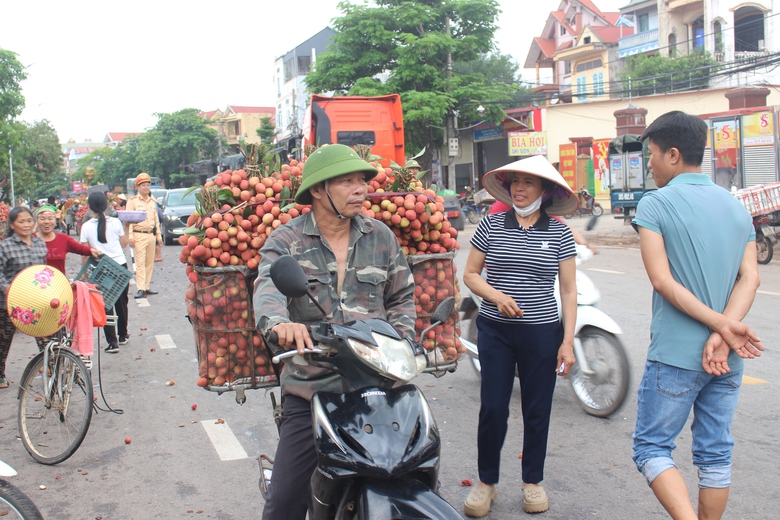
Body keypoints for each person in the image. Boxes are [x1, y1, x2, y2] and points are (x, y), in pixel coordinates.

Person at [253, 144, 416, 520]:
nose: (361, 188)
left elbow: (402, 297)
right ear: (318, 190)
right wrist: (280, 324)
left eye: (363, 180)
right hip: (313, 386)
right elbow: (268, 290)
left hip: (378, 382)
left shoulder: (381, 237)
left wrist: (403, 339)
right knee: (283, 504)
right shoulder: (286, 241)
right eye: (348, 181)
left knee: (414, 475)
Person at [631, 111, 763, 520]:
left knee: (652, 447)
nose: (648, 163)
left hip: (675, 356)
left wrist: (720, 327)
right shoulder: (736, 207)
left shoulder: (655, 203)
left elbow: (663, 282)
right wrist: (725, 331)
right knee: (715, 452)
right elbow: (750, 278)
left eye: (651, 155)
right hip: (728, 356)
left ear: (673, 155)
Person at [462, 155, 579, 516]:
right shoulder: (491, 225)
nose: (520, 188)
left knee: (537, 409)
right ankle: (486, 483)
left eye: (528, 183)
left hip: (542, 333)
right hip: (495, 332)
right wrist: (496, 297)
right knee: (493, 408)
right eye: (515, 181)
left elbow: (570, 291)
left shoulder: (559, 232)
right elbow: (470, 275)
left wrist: (567, 342)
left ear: (544, 191)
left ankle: (532, 482)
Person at [0, 207, 48, 388]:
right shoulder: (5, 246)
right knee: (3, 340)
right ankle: (0, 374)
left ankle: (51, 365)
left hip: (36, 301)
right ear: (12, 225)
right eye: (21, 221)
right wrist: (6, 288)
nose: (26, 225)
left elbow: (43, 270)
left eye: (29, 220)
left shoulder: (39, 244)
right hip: (9, 303)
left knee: (44, 334)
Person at [80, 192, 131, 354]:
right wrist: (127, 227)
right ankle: (123, 335)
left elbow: (85, 252)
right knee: (121, 302)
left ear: (89, 206)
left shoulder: (86, 227)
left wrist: (84, 274)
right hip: (120, 266)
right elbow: (124, 244)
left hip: (101, 268)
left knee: (105, 305)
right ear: (106, 205)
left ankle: (112, 342)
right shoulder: (116, 222)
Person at [126, 173, 162, 298]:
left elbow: (156, 219)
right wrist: (130, 236)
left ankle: (146, 287)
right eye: (143, 185)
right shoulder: (133, 201)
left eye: (148, 185)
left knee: (149, 262)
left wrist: (158, 236)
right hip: (138, 234)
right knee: (140, 262)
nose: (146, 187)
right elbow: (128, 219)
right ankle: (140, 288)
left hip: (150, 235)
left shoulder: (153, 201)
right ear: (138, 187)